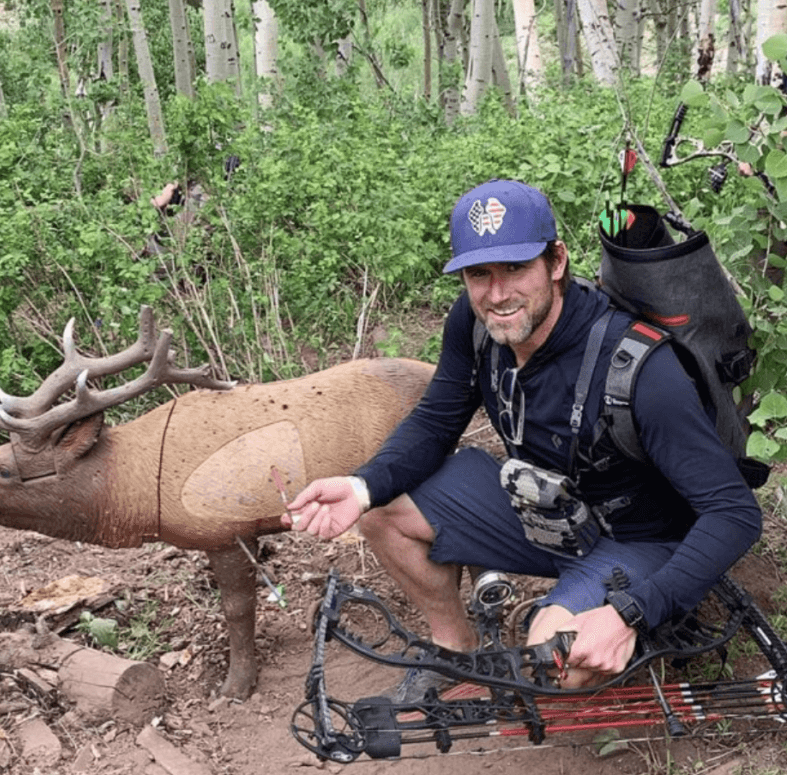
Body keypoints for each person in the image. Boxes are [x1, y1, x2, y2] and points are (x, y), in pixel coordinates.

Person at [282, 178, 763, 696]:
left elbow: (734, 514)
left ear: (556, 262)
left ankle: (627, 622)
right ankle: (454, 649)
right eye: (478, 274)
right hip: (546, 512)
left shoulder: (639, 369)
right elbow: (437, 419)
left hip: (639, 538)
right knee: (380, 508)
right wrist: (359, 487)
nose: (497, 294)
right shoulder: (473, 322)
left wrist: (633, 611)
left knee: (553, 659)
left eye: (516, 268)